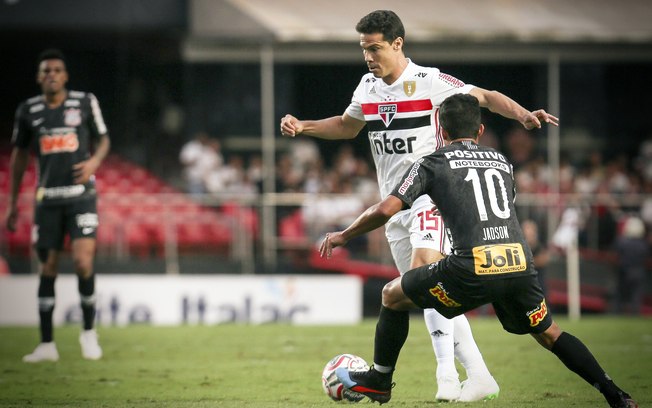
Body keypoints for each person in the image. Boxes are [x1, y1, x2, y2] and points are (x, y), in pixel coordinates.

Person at [280, 9, 558, 402]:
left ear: (397, 44)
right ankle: (478, 374)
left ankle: (445, 375)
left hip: (431, 197)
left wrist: (525, 115)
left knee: (422, 273)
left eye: (375, 48)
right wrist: (304, 125)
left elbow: (485, 97)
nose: (368, 57)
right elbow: (346, 124)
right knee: (429, 291)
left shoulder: (430, 81)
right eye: (363, 49)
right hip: (394, 207)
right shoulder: (367, 88)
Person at [320, 94, 637, 408]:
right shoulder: (503, 162)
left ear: (440, 131)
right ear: (481, 130)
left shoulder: (432, 162)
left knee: (392, 295)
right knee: (551, 334)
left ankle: (380, 380)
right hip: (518, 265)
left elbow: (388, 208)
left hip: (472, 268)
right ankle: (617, 395)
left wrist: (345, 235)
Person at [5, 49, 110, 362]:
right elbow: (19, 156)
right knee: (47, 269)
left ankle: (89, 333)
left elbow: (103, 139)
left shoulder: (85, 101)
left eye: (57, 70)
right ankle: (47, 344)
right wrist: (12, 203)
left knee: (83, 262)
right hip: (48, 200)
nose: (51, 74)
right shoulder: (28, 110)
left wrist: (94, 162)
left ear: (65, 76)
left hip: (81, 196)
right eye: (46, 70)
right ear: (39, 77)